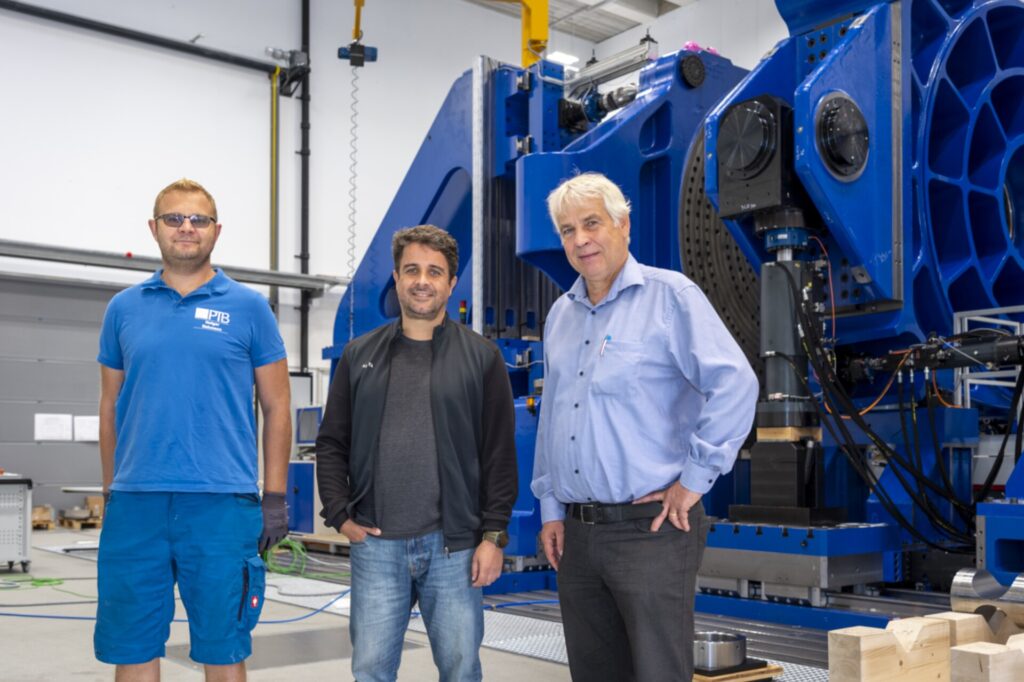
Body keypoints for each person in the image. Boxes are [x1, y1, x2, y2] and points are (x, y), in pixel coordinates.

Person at [531, 172, 758, 681]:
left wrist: (694, 481)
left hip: (650, 531)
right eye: (567, 230)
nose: (581, 239)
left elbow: (736, 384)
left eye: (592, 223)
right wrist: (550, 507)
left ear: (623, 224)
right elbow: (554, 416)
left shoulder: (671, 296)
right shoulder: (560, 316)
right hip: (577, 534)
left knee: (656, 673)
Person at [95, 178, 292, 681]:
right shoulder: (123, 309)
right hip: (137, 504)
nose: (186, 228)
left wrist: (273, 496)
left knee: (223, 647)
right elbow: (109, 403)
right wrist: (110, 490)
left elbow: (277, 403)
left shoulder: (249, 308)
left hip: (222, 506)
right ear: (154, 228)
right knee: (133, 645)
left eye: (198, 219)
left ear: (216, 230)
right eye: (174, 218)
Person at [315, 224, 518, 682]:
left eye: (434, 271)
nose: (422, 280)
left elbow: (499, 455)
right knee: (370, 670)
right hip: (376, 545)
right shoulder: (358, 355)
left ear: (450, 283)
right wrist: (339, 514)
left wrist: (493, 536)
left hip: (455, 547)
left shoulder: (482, 359)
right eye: (411, 270)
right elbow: (331, 443)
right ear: (396, 278)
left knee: (462, 669)